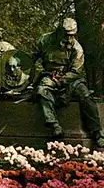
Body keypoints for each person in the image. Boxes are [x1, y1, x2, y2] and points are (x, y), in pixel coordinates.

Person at [34, 17, 104, 147]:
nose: (69, 38)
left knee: (85, 94)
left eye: (72, 35)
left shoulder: (77, 49)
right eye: (66, 35)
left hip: (70, 79)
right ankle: (54, 125)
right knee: (42, 90)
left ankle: (97, 132)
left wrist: (60, 81)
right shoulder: (44, 40)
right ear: (59, 31)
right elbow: (31, 58)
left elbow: (75, 71)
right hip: (49, 76)